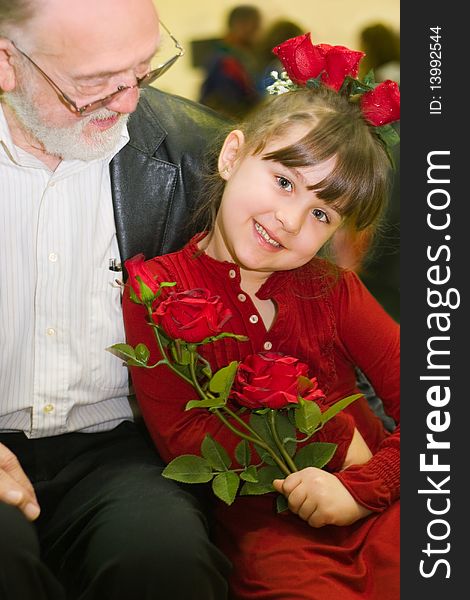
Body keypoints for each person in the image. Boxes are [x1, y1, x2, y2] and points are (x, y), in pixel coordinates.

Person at [123, 80, 400, 598]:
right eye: (285, 182)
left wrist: (366, 487)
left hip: (386, 501)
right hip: (272, 533)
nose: (291, 221)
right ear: (232, 155)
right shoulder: (155, 291)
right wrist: (338, 442)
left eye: (322, 214)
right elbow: (185, 438)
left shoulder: (334, 289)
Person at [0, 0, 231, 598]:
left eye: (144, 70)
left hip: (125, 446)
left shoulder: (195, 155)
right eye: (98, 83)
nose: (129, 101)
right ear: (6, 61)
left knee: (164, 565)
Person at [199, 5, 262, 119]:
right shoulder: (223, 61)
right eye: (255, 27)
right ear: (241, 25)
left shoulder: (244, 55)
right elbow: (229, 105)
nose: (258, 32)